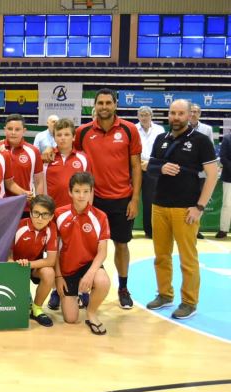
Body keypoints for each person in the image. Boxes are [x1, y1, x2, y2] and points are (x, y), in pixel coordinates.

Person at [146, 99, 218, 319]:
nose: (176, 117)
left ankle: (189, 302)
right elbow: (150, 167)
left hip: (186, 209)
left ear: (189, 115)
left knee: (187, 259)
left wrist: (199, 207)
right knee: (161, 256)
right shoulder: (161, 139)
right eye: (172, 113)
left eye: (180, 113)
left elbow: (213, 175)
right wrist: (162, 167)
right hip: (159, 206)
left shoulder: (201, 140)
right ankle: (165, 294)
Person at [73, 88, 142, 309]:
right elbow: (72, 159)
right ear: (95, 105)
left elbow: (136, 167)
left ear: (115, 105)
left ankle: (123, 288)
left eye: (108, 103)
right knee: (89, 249)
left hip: (122, 199)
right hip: (93, 201)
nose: (104, 107)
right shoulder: (83, 132)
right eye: (100, 103)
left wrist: (135, 199)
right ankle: (86, 289)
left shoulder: (129, 130)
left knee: (121, 245)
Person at [43, 118, 91, 311]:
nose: (62, 138)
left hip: (78, 214)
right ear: (53, 137)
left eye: (66, 134)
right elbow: (41, 185)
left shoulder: (82, 158)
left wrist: (88, 212)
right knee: (58, 254)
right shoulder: (47, 158)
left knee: (79, 252)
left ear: (73, 136)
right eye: (58, 135)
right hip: (55, 216)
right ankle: (57, 290)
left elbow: (89, 188)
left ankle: (83, 291)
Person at [55, 172, 111, 335]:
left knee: (103, 281)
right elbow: (54, 250)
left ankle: (91, 313)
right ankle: (72, 296)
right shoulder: (59, 214)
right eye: (77, 191)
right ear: (70, 192)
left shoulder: (100, 216)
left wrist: (90, 274)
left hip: (88, 265)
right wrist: (58, 277)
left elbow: (102, 251)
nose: (81, 196)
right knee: (71, 319)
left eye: (86, 191)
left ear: (91, 192)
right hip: (67, 270)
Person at [10, 195, 57, 327]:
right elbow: (7, 253)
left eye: (45, 215)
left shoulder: (51, 228)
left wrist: (28, 264)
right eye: (36, 213)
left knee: (49, 273)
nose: (40, 219)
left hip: (32, 265)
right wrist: (13, 264)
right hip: (14, 267)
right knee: (19, 309)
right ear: (30, 213)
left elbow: (51, 260)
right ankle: (23, 297)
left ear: (52, 216)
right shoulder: (18, 226)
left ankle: (36, 309)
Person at [0, 114, 44, 218]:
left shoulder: (33, 151)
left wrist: (38, 204)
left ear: (24, 131)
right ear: (5, 130)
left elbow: (39, 181)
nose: (13, 132)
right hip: (1, 205)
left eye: (17, 129)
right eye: (10, 129)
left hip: (25, 206)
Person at [136, 106, 165, 238]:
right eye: (142, 115)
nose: (144, 117)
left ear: (151, 116)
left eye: (147, 114)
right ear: (138, 116)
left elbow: (162, 150)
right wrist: (139, 163)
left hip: (152, 167)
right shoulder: (133, 129)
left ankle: (149, 230)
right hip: (136, 166)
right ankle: (127, 230)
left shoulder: (160, 130)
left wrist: (150, 164)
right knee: (131, 199)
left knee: (149, 201)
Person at [190, 104, 215, 239]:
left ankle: (196, 228)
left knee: (200, 200)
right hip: (187, 171)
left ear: (200, 114)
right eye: (191, 111)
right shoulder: (183, 127)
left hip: (201, 172)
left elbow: (210, 150)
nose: (193, 114)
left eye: (196, 112)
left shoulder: (207, 129)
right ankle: (186, 226)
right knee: (186, 199)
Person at [216, 133, 231, 239]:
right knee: (227, 204)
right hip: (229, 177)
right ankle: (223, 230)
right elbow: (223, 158)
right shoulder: (227, 138)